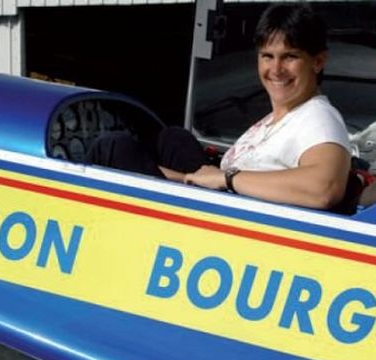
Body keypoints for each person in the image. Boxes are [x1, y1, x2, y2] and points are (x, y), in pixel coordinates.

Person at [88, 2, 352, 210]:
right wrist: (192, 179)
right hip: (221, 198)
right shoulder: (278, 118)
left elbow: (324, 188)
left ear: (318, 62)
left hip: (229, 220)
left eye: (290, 57)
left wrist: (227, 179)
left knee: (112, 149)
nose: (276, 69)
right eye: (267, 56)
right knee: (173, 138)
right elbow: (215, 180)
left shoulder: (318, 118)